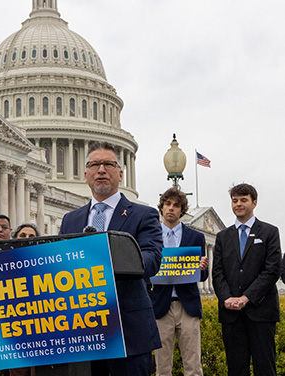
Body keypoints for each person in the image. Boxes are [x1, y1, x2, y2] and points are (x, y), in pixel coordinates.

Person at [59, 141, 163, 376]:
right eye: (95, 164)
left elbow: (152, 259)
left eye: (108, 164)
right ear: (85, 174)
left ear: (120, 173)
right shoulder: (70, 220)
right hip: (83, 332)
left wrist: (105, 263)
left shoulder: (143, 215)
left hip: (128, 331)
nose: (101, 170)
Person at [212, 183, 281, 376]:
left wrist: (245, 298)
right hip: (231, 315)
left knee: (265, 367)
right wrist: (226, 298)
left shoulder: (269, 232)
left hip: (261, 312)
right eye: (235, 201)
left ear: (254, 203)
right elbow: (217, 272)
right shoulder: (222, 237)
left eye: (243, 200)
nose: (238, 204)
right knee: (236, 369)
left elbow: (272, 270)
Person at [152, 187, 208, 376]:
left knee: (193, 365)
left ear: (181, 210)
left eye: (176, 205)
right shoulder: (151, 237)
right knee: (162, 366)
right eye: (167, 204)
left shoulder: (196, 237)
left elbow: (202, 276)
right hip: (160, 305)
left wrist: (202, 267)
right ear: (162, 207)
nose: (171, 208)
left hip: (188, 305)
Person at [9, 223, 41, 376]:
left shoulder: (49, 265)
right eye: (22, 236)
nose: (27, 239)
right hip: (16, 334)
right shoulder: (3, 266)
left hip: (44, 334)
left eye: (31, 237)